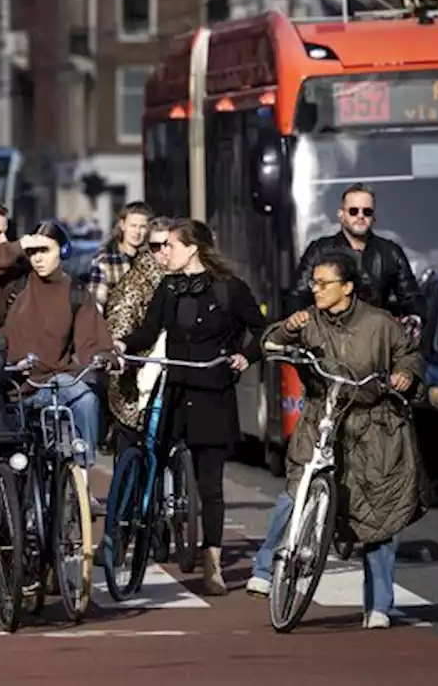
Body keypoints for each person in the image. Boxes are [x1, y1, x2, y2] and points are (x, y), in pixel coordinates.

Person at [247, 251, 424, 628]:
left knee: (380, 516)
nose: (316, 289)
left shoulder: (380, 324)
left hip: (374, 429)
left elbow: (408, 357)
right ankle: (265, 568)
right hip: (322, 418)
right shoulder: (308, 321)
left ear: (347, 288)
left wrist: (405, 375)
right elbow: (270, 343)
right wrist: (286, 330)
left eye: (324, 283)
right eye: (314, 282)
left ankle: (378, 606)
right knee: (295, 491)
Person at [117, 218, 266, 595]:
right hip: (177, 389)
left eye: (170, 246)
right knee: (151, 456)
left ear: (192, 248)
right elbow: (149, 333)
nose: (163, 253)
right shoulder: (169, 287)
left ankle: (211, 560)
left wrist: (244, 357)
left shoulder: (229, 289)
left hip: (212, 392)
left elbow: (263, 330)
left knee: (210, 484)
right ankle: (147, 533)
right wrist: (120, 346)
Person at [0, 220, 115, 500]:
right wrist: (19, 245)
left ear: (63, 250)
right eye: (33, 252)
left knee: (85, 399)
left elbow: (92, 338)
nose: (38, 258)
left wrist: (102, 357)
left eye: (45, 250)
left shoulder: (75, 291)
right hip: (14, 384)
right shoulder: (14, 285)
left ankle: (82, 479)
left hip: (56, 381)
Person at [287, 182, 425, 321]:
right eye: (353, 211)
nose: (360, 216)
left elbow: (411, 297)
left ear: (374, 218)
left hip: (377, 335)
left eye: (367, 211)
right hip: (329, 335)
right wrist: (304, 323)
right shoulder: (319, 250)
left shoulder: (391, 252)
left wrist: (414, 318)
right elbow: (297, 296)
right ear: (341, 215)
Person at [102, 216, 172, 449]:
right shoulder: (135, 284)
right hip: (133, 384)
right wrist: (122, 354)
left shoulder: (183, 279)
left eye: (168, 245)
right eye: (155, 246)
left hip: (171, 378)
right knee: (132, 455)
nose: (163, 252)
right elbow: (120, 326)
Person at [88, 201, 153, 314]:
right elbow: (96, 301)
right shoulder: (106, 259)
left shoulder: (150, 259)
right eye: (133, 226)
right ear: (122, 225)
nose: (137, 232)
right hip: (113, 325)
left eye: (142, 227)